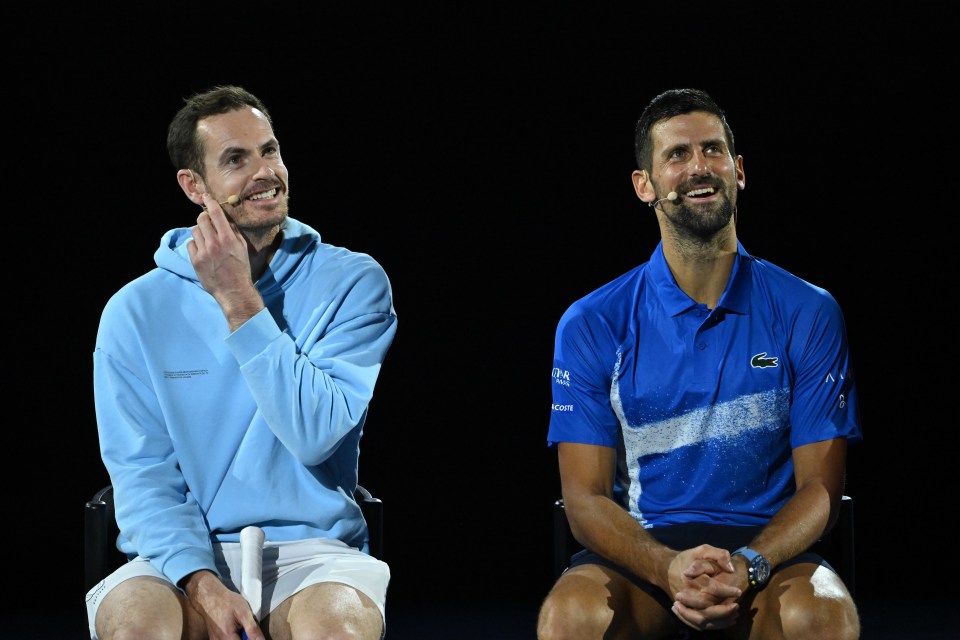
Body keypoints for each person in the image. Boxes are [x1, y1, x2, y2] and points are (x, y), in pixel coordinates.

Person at [536, 88, 861, 640]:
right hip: (646, 558)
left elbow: (823, 490)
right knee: (570, 618)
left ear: (738, 172)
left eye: (712, 151)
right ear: (645, 185)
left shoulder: (809, 310)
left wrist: (748, 564)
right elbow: (584, 498)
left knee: (822, 615)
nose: (698, 167)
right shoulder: (592, 322)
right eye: (677, 155)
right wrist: (666, 567)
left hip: (768, 560)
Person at [85, 85, 398, 640]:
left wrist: (238, 300)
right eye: (236, 159)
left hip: (315, 551)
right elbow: (143, 477)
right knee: (135, 626)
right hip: (178, 558)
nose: (265, 172)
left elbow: (316, 434)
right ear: (193, 185)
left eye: (270, 151)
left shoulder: (353, 283)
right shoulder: (134, 310)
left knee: (338, 630)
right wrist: (201, 579)